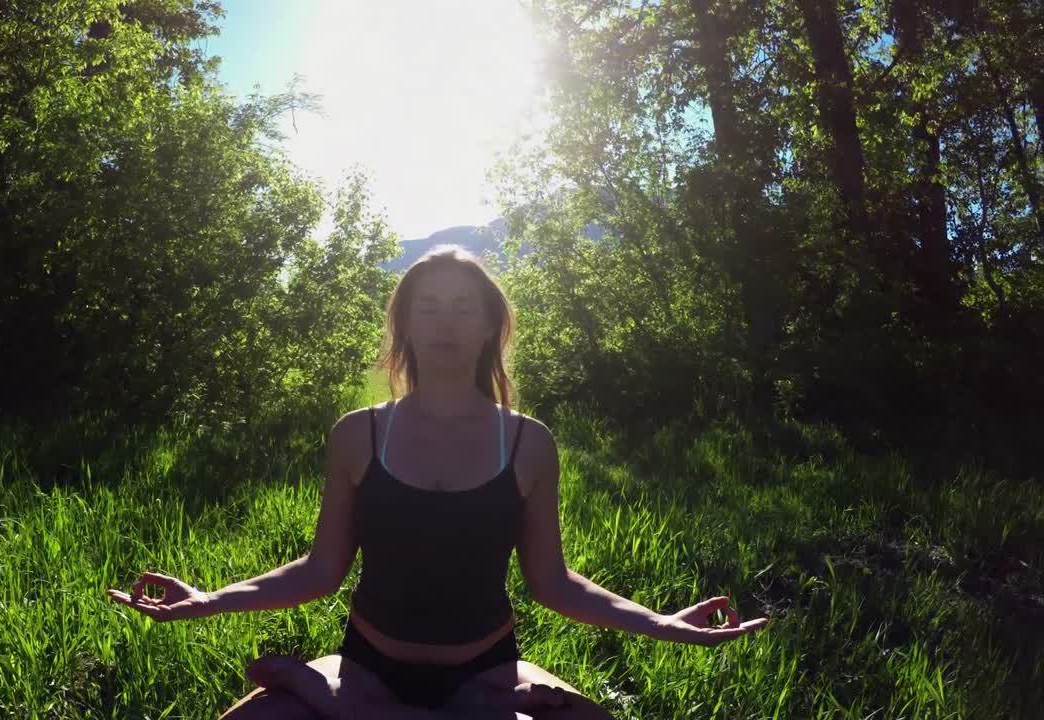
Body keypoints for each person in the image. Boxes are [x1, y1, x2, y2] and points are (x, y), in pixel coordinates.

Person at [106, 245, 771, 719]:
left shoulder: (529, 443)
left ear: (489, 328)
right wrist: (207, 599)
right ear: (406, 326)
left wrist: (663, 623)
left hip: (485, 673)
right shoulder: (357, 434)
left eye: (462, 309)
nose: (445, 324)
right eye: (428, 309)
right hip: (367, 666)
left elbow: (554, 584)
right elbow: (320, 571)